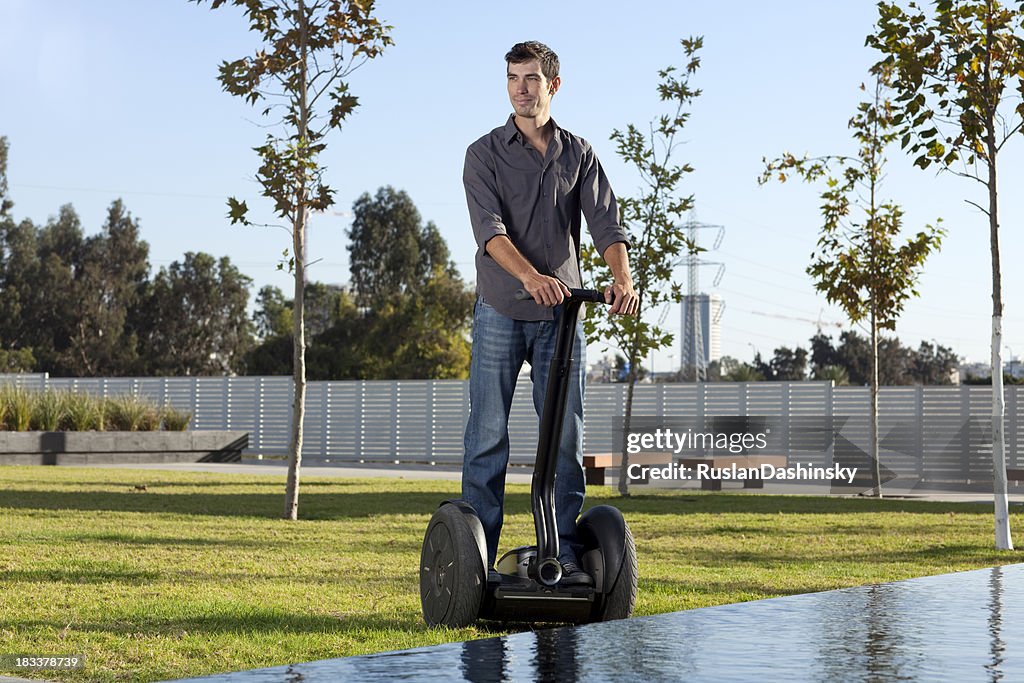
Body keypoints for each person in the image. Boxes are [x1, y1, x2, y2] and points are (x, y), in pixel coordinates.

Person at [461, 40, 638, 586]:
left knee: (565, 437)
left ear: (553, 85)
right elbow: (490, 232)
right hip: (500, 308)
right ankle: (480, 566)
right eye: (513, 78)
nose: (520, 87)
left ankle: (557, 556)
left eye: (531, 78)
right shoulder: (483, 153)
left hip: (562, 318)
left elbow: (606, 224)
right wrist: (530, 277)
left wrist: (622, 277)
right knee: (488, 435)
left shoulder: (578, 154)